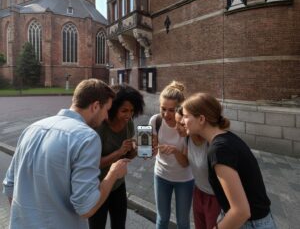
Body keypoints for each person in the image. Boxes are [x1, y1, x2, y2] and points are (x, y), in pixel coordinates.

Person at [2, 78, 130, 229]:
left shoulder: (32, 128)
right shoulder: (87, 137)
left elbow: (10, 186)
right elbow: (86, 207)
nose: (107, 117)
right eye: (107, 110)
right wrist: (113, 173)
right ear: (95, 106)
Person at [182, 93, 277, 229]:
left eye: (186, 116)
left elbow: (241, 211)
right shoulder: (226, 140)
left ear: (201, 119)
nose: (182, 121)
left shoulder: (220, 149)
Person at [89, 84, 145, 229]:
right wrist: (118, 153)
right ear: (113, 108)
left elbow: (127, 156)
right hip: (98, 185)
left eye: (132, 111)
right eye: (124, 110)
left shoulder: (129, 123)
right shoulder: (99, 127)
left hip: (118, 184)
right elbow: (92, 164)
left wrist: (135, 150)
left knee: (119, 224)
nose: (129, 115)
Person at [149, 81, 194, 229]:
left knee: (182, 222)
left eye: (171, 110)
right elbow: (152, 149)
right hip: (161, 175)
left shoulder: (186, 126)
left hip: (184, 179)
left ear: (180, 109)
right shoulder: (156, 120)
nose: (166, 114)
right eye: (163, 109)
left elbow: (185, 163)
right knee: (162, 219)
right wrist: (150, 149)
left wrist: (174, 151)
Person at [175, 107, 221, 229]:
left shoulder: (212, 143)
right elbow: (185, 163)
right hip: (198, 192)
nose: (177, 127)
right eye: (176, 123)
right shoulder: (187, 138)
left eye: (181, 123)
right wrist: (174, 152)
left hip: (215, 198)